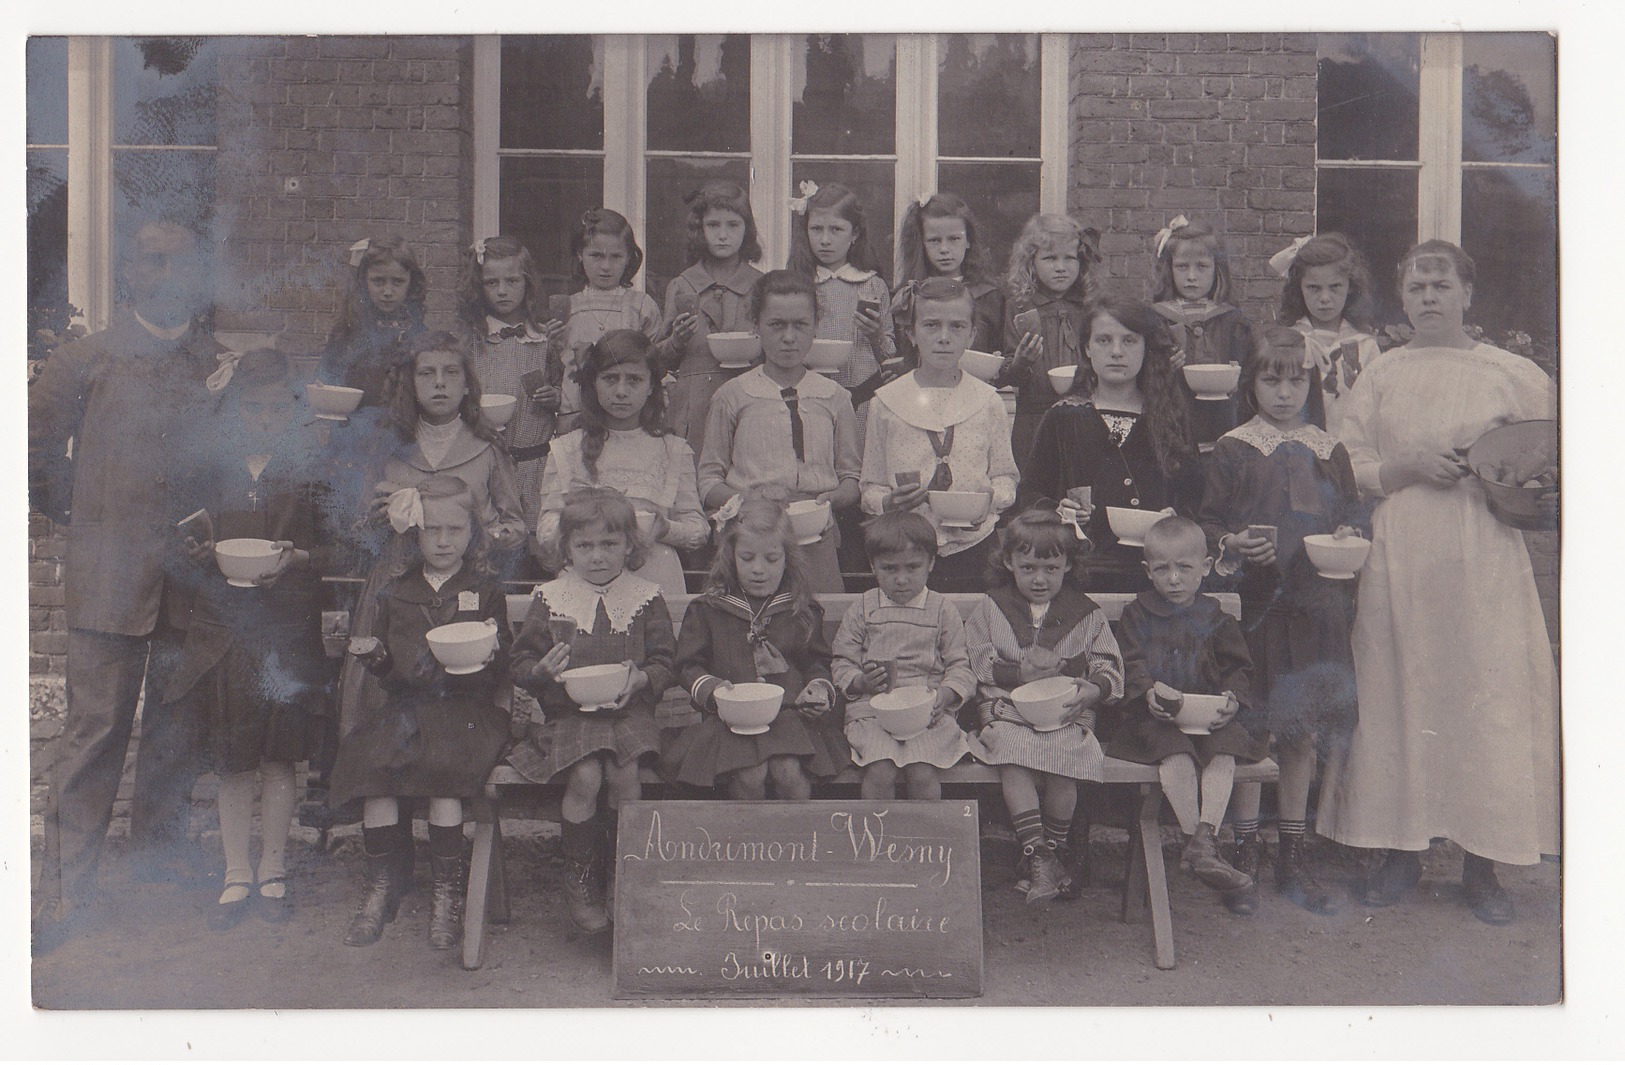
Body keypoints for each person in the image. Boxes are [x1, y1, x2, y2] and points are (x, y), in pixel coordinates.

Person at [1315, 240, 1559, 925]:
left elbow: (1554, 450)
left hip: (1482, 549)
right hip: (1403, 545)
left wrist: (1518, 477)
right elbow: (1347, 459)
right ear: (1402, 298)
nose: (1427, 296)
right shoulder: (1383, 373)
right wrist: (1408, 464)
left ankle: (1483, 865)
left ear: (1466, 294)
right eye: (1415, 286)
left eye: (1439, 284)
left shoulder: (1510, 373)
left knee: (1485, 691)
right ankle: (1401, 852)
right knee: (1400, 689)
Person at [29, 218, 225, 951]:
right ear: (130, 273)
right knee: (95, 733)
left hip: (190, 582)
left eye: (180, 261)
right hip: (110, 578)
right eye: (152, 260)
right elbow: (35, 447)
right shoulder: (89, 358)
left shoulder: (211, 362)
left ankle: (154, 878)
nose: (166, 272)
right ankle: (64, 893)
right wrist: (84, 515)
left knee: (175, 735)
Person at [166, 350, 340, 930]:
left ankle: (273, 867)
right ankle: (234, 871)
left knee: (278, 753)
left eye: (274, 409)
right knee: (233, 754)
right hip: (226, 628)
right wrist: (196, 549)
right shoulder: (212, 470)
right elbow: (188, 542)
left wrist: (301, 559)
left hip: (288, 628)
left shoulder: (311, 471)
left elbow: (341, 551)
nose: (263, 420)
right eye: (252, 408)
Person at [1198, 328, 1368, 916]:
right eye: (1271, 379)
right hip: (1255, 606)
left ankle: (1291, 854)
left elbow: (1351, 515)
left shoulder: (1330, 449)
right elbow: (1209, 520)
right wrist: (1232, 542)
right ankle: (1243, 852)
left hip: (1316, 604)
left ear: (1311, 385)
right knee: (1254, 728)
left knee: (1301, 731)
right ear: (1252, 384)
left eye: (1296, 379)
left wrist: (1349, 533)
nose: (1284, 391)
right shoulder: (1234, 447)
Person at [330, 475, 513, 950]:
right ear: (416, 532)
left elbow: (501, 664)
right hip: (408, 709)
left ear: (472, 533)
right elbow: (392, 676)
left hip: (465, 710)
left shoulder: (484, 589)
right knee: (375, 770)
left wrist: (489, 657)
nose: (444, 540)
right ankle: (380, 887)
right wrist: (376, 658)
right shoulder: (398, 590)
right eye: (433, 530)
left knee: (444, 773)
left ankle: (447, 893)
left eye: (455, 530)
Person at [335, 333, 525, 744]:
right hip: (396, 590)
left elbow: (515, 524)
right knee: (382, 715)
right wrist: (374, 519)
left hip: (466, 590)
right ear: (410, 381)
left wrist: (490, 534)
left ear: (466, 384)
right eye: (427, 373)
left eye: (450, 373)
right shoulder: (388, 445)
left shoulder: (488, 446)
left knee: (456, 718)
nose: (439, 383)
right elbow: (358, 531)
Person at [509, 488, 676, 933]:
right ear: (566, 549)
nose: (597, 557)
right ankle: (581, 878)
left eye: (609, 545)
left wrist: (643, 677)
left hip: (628, 715)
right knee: (585, 775)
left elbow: (665, 660)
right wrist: (541, 670)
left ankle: (626, 873)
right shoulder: (551, 598)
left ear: (629, 546)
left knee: (625, 773)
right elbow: (522, 664)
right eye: (584, 546)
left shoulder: (645, 597)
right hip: (569, 716)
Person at [1104, 516, 1267, 908]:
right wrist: (1146, 693)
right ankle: (1200, 843)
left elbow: (1239, 667)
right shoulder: (1136, 614)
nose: (1173, 579)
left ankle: (1204, 839)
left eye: (1185, 568)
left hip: (1206, 717)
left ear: (1206, 568)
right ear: (1148, 571)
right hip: (1154, 719)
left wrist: (1232, 698)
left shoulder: (1215, 617)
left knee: (1225, 746)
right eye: (1162, 569)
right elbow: (1129, 662)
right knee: (1172, 749)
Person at [964, 505, 1123, 904]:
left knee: (1065, 760)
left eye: (1051, 569)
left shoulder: (1086, 614)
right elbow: (976, 660)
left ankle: (1045, 855)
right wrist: (1018, 673)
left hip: (1064, 712)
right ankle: (1040, 857)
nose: (1039, 579)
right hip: (1008, 711)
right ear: (1008, 562)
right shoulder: (991, 608)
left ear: (1068, 565)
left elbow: (1107, 663)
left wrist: (1094, 689)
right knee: (1011, 755)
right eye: (1029, 567)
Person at [661, 492, 848, 797]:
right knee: (750, 774)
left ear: (788, 559)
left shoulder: (799, 609)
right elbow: (687, 666)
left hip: (789, 717)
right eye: (747, 558)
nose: (759, 569)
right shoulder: (710, 609)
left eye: (771, 558)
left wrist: (817, 688)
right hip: (729, 719)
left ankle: (799, 842)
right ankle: (750, 844)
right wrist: (713, 691)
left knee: (788, 771)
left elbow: (817, 663)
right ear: (730, 556)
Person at [1017, 294, 1201, 591]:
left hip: (1159, 573)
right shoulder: (1064, 417)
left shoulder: (1170, 418)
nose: (1116, 352)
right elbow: (1028, 494)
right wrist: (1058, 510)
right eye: (1104, 341)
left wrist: (1175, 517)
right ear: (1087, 348)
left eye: (1129, 341)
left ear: (1145, 349)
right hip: (1085, 572)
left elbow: (1195, 496)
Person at [697, 270, 861, 594]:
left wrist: (832, 498)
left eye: (800, 325)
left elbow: (852, 479)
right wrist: (747, 504)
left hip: (814, 535)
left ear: (816, 326)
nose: (789, 337)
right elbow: (708, 479)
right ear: (756, 326)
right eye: (776, 325)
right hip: (750, 538)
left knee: (816, 624)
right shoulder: (732, 395)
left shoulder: (836, 398)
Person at [860, 278, 1018, 589]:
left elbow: (1005, 476)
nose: (944, 337)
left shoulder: (988, 401)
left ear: (972, 334)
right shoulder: (886, 402)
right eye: (931, 325)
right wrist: (887, 503)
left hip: (974, 547)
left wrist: (990, 501)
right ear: (911, 332)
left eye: (957, 327)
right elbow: (870, 485)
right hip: (905, 551)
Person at [537, 331, 708, 599]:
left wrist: (665, 528)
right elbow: (546, 530)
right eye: (610, 379)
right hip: (585, 579)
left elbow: (698, 530)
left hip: (656, 575)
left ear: (652, 385)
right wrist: (584, 524)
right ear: (594, 382)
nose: (621, 391)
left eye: (634, 380)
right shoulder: (567, 448)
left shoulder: (673, 450)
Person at [832, 511, 975, 800]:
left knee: (922, 772)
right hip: (874, 712)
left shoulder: (942, 610)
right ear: (873, 566)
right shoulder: (864, 608)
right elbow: (841, 660)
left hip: (927, 714)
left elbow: (960, 665)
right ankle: (878, 840)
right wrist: (860, 681)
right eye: (889, 569)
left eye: (912, 567)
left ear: (931, 563)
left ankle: (925, 842)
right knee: (880, 772)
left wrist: (946, 696)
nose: (901, 579)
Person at [456, 235, 565, 541]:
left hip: (535, 466)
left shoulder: (544, 339)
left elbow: (565, 391)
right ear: (479, 287)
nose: (502, 291)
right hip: (486, 465)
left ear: (527, 283)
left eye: (512, 280)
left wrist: (554, 396)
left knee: (534, 549)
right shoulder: (472, 342)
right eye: (491, 283)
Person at [659, 181, 766, 455]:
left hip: (748, 397)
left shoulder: (761, 286)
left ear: (747, 230)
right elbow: (657, 361)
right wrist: (676, 341)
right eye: (713, 225)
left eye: (733, 225)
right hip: (693, 405)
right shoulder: (682, 286)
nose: (723, 235)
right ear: (699, 229)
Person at [997, 213, 1102, 469]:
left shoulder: (1089, 307)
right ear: (1031, 262)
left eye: (1070, 258)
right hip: (1034, 418)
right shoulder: (1019, 306)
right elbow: (1007, 375)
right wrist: (1022, 362)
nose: (1061, 267)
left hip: (1082, 415)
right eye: (1050, 258)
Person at [786, 180, 896, 419]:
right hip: (809, 399)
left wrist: (875, 334)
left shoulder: (872, 284)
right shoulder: (798, 285)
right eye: (816, 229)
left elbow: (889, 357)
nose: (825, 240)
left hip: (863, 398)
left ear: (854, 233)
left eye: (836, 229)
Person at [1148, 216, 1255, 449]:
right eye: (1182, 267)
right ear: (1169, 268)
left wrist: (1237, 375)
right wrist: (1161, 365)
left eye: (1202, 267)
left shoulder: (1231, 320)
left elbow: (1249, 372)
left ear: (1217, 269)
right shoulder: (1156, 318)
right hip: (1174, 418)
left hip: (1223, 418)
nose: (1192, 276)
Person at [558, 209, 664, 439]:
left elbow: (655, 363)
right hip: (577, 414)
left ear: (628, 257)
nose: (606, 267)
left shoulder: (641, 306)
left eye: (616, 257)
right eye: (596, 256)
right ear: (580, 254)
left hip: (627, 417)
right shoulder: (568, 307)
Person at [1270, 232, 1381, 439]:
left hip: (1352, 446)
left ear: (1350, 286)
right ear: (1299, 288)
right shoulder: (1290, 340)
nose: (1324, 298)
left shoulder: (1365, 345)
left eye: (1335, 287)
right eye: (1313, 288)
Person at [891, 191, 1006, 369]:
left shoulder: (989, 296)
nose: (944, 249)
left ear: (968, 240)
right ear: (922, 243)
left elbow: (999, 352)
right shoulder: (908, 296)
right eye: (934, 240)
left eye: (954, 239)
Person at [318, 235, 429, 407]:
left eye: (398, 282)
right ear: (364, 281)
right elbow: (327, 376)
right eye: (378, 281)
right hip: (353, 424)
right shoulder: (350, 328)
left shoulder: (416, 332)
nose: (387, 291)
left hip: (400, 425)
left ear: (411, 282)